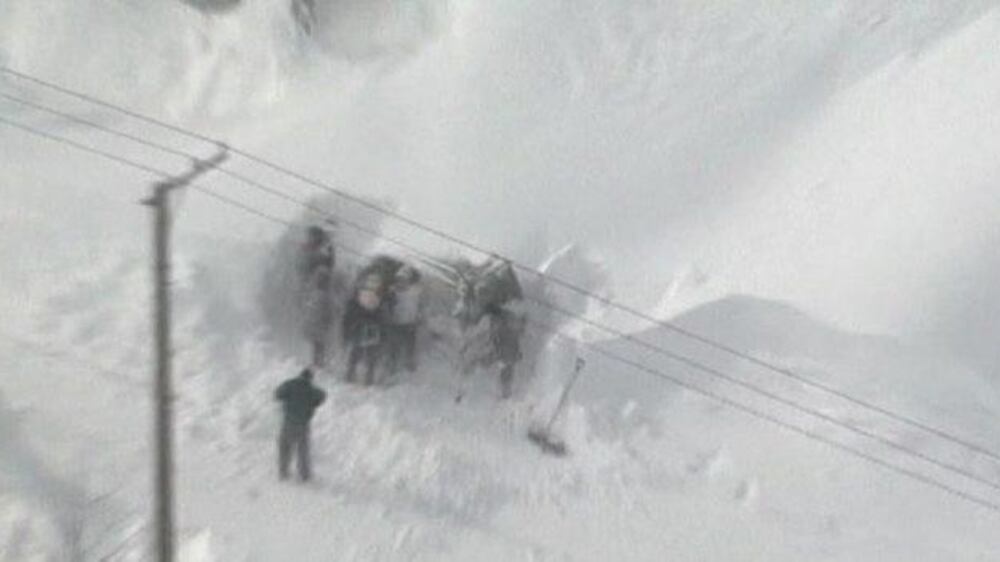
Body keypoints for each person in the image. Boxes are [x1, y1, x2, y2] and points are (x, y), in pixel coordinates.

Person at [274, 368, 326, 481]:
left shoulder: (290, 384)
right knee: (303, 450)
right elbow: (322, 396)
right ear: (310, 378)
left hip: (288, 422)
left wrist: (287, 399)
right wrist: (313, 404)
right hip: (303, 424)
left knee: (285, 447)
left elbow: (277, 394)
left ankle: (283, 472)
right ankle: (304, 475)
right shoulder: (311, 389)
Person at [342, 274, 388, 385]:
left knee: (356, 352)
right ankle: (368, 379)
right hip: (372, 331)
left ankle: (350, 375)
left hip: (360, 329)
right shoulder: (379, 300)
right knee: (370, 355)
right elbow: (381, 318)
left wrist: (348, 330)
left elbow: (350, 314)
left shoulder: (358, 296)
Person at [387, 266, 423, 374]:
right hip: (396, 323)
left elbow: (419, 306)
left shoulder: (414, 292)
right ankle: (393, 365)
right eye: (399, 280)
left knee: (410, 345)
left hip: (410, 323)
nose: (401, 282)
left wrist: (418, 317)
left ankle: (409, 363)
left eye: (404, 280)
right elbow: (389, 305)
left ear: (409, 281)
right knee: (394, 345)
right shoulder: (392, 292)